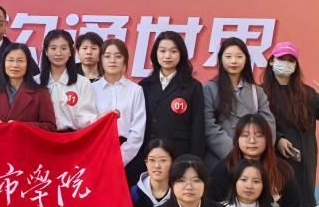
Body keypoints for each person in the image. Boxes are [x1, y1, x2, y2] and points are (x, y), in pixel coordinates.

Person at [261, 41, 319, 207]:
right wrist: (278, 139)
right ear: (272, 61)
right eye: (282, 59)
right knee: (275, 205)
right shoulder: (260, 92)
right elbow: (258, 124)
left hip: (303, 160)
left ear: (296, 65)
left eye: (291, 60)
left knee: (302, 206)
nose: (286, 64)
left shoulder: (306, 93)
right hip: (272, 158)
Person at [207, 115, 301, 207]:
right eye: (245, 135)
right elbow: (212, 206)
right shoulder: (224, 169)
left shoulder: (282, 170)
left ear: (268, 138)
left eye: (259, 135)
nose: (252, 140)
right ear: (237, 139)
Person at [131, 31, 205, 183]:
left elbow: (197, 127)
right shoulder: (144, 85)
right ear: (155, 54)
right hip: (148, 154)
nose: (167, 56)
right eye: (162, 51)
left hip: (179, 154)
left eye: (173, 51)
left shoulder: (193, 86)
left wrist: (194, 161)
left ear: (181, 54)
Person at [203, 37, 275, 171]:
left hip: (253, 159)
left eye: (239, 56)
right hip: (220, 159)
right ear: (220, 59)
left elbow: (268, 124)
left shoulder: (257, 92)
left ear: (246, 59)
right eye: (228, 56)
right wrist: (235, 153)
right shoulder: (210, 89)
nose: (233, 61)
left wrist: (256, 151)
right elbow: (208, 126)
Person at [94, 38, 146, 169]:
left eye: (118, 56)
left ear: (124, 60)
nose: (112, 60)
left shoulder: (135, 90)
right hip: (96, 151)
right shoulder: (91, 89)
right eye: (107, 56)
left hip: (128, 155)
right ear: (100, 60)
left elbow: (138, 131)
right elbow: (87, 122)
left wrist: (120, 158)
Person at [0, 43, 57, 130]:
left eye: (20, 60)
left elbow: (50, 126)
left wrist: (21, 126)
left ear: (28, 64)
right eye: (10, 60)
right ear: (4, 63)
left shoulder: (41, 92)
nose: (15, 65)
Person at [37, 29, 99, 132]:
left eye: (63, 48)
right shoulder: (35, 82)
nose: (58, 53)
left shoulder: (82, 83)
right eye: (53, 48)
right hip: (42, 137)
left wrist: (101, 118)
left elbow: (84, 117)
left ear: (70, 52)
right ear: (46, 52)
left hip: (71, 138)